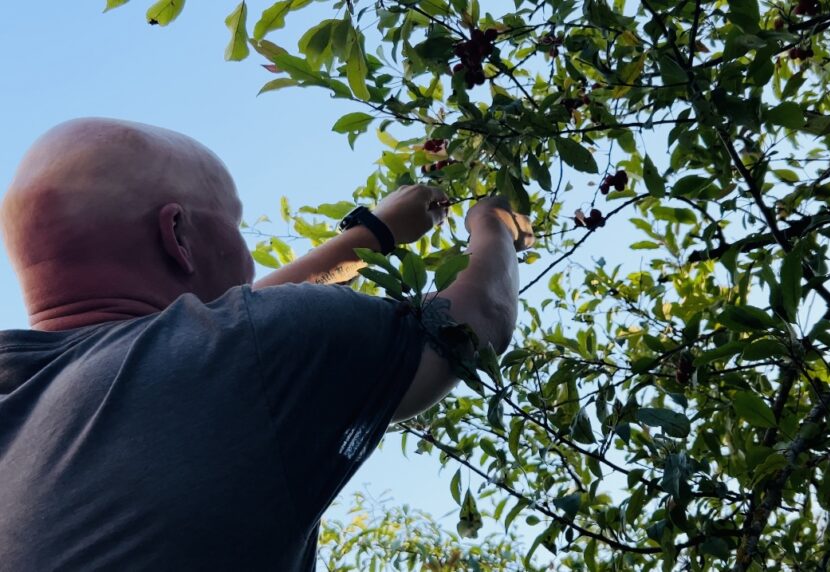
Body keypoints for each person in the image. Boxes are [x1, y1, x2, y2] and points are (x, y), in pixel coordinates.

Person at [0, 117, 533, 571]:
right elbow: (477, 319)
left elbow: (200, 339)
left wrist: (372, 234)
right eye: (234, 222)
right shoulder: (243, 351)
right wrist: (494, 225)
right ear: (177, 236)